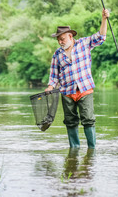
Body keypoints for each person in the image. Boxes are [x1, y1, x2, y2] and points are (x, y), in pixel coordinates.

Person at [45, 9, 109, 149]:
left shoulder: (84, 43)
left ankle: (91, 150)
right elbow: (54, 75)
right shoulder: (57, 54)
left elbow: (101, 37)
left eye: (62, 39)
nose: (60, 42)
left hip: (84, 89)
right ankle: (74, 150)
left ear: (70, 36)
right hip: (67, 92)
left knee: (88, 120)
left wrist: (104, 19)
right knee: (70, 121)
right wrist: (50, 87)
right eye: (58, 40)